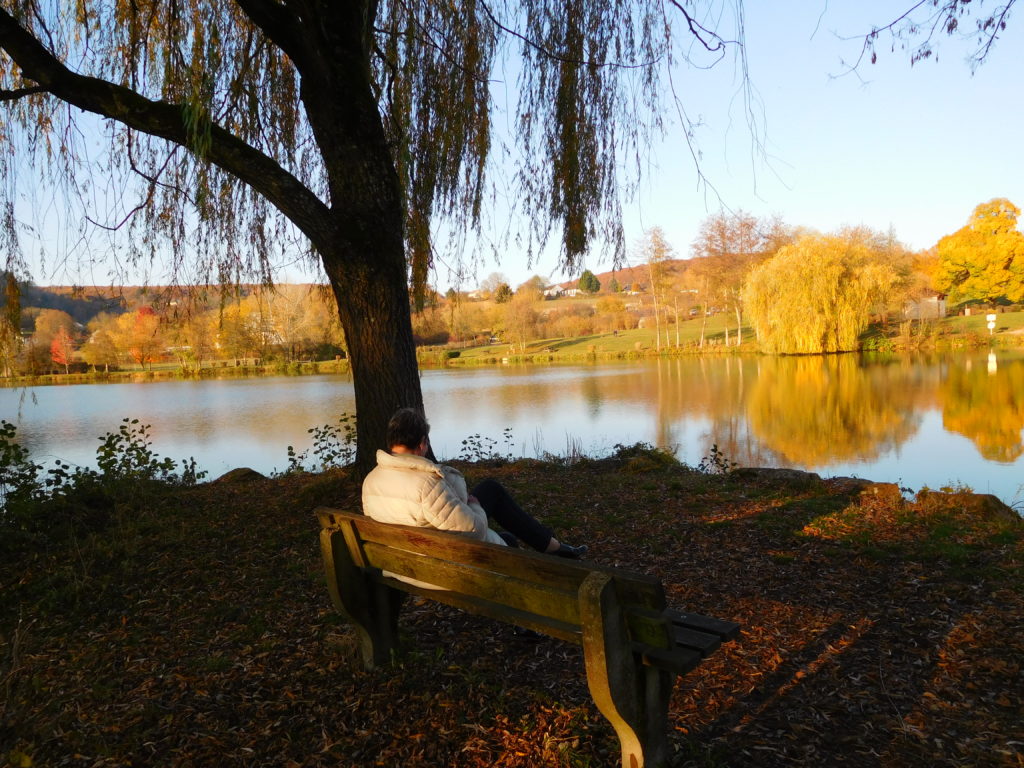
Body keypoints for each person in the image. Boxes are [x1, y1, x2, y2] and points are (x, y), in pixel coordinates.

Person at [362, 407, 587, 559]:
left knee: (491, 492)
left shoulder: (371, 480)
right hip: (436, 562)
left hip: (401, 559)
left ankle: (553, 547)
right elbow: (475, 531)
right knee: (505, 536)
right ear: (422, 444)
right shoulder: (426, 484)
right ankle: (553, 549)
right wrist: (475, 505)